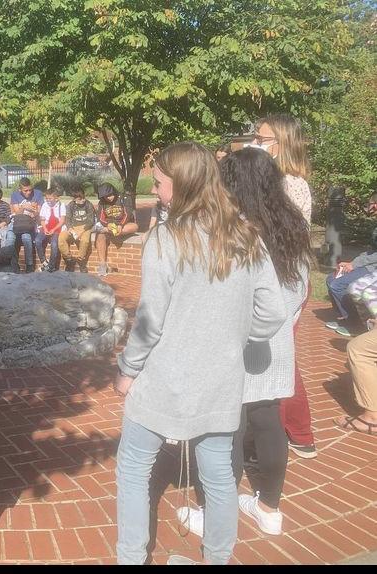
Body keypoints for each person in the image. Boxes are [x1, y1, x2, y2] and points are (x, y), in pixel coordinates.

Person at [114, 142, 286, 566]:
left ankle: (131, 558)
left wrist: (128, 370)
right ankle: (216, 559)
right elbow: (272, 312)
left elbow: (150, 320)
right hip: (220, 380)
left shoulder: (165, 238)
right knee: (220, 477)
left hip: (163, 380)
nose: (154, 190)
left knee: (133, 468)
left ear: (184, 184)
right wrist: (235, 336)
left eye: (159, 183)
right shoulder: (246, 236)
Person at [177, 147, 313, 539]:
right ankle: (270, 509)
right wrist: (282, 324)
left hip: (234, 340)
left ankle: (212, 512)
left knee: (227, 428)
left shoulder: (231, 231)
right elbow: (301, 289)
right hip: (275, 341)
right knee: (268, 421)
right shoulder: (293, 227)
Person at [252, 114, 317, 460]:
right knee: (274, 354)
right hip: (276, 277)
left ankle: (299, 431)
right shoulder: (274, 180)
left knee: (280, 355)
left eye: (263, 139)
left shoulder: (290, 184)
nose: (257, 143)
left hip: (287, 280)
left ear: (282, 143)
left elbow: (282, 236)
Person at [325, 193, 377, 337]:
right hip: (368, 264)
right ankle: (346, 316)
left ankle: (356, 324)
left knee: (338, 285)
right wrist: (352, 262)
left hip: (373, 269)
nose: (369, 209)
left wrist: (355, 265)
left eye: (370, 205)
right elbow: (371, 251)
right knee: (331, 279)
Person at [94, 183, 138, 276]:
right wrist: (108, 224)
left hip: (123, 225)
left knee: (135, 226)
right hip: (109, 225)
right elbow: (100, 217)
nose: (109, 198)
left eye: (110, 195)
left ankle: (109, 231)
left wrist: (120, 225)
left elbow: (128, 214)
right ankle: (102, 265)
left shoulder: (124, 198)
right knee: (100, 235)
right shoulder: (102, 202)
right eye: (106, 196)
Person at [58, 181, 97, 273]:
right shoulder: (71, 205)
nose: (82, 200)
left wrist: (81, 231)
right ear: (74, 199)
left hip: (85, 227)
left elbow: (91, 221)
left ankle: (81, 260)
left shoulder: (88, 204)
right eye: (79, 199)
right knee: (61, 238)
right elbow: (68, 219)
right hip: (73, 227)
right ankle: (69, 259)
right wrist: (70, 228)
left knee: (85, 241)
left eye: (83, 197)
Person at [9, 177, 44, 272]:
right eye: (25, 191)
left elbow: (39, 212)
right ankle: (12, 265)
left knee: (26, 237)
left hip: (30, 223)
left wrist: (33, 212)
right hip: (17, 222)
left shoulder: (38, 194)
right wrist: (23, 207)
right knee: (10, 238)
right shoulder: (15, 195)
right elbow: (17, 213)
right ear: (20, 190)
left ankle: (29, 265)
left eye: (30, 190)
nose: (28, 192)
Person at [35, 188, 65, 272]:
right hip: (46, 227)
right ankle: (44, 261)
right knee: (37, 240)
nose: (48, 200)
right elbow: (42, 219)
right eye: (46, 198)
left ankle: (51, 266)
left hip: (57, 228)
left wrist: (53, 229)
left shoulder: (61, 205)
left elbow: (62, 221)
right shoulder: (45, 205)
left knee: (54, 244)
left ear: (56, 198)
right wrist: (45, 229)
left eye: (50, 198)